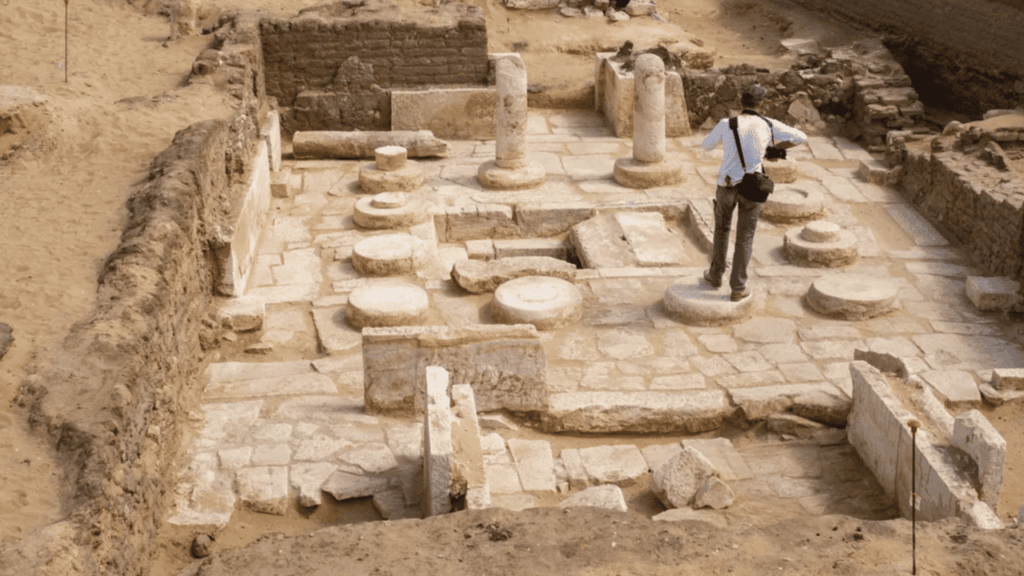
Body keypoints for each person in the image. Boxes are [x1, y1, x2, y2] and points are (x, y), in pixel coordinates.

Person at [701, 84, 807, 301]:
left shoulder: (727, 123)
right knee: (745, 237)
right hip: (752, 187)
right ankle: (738, 287)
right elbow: (800, 137)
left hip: (727, 184)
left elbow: (706, 145)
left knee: (721, 230)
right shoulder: (768, 124)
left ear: (740, 102)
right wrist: (774, 149)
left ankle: (715, 275)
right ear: (762, 104)